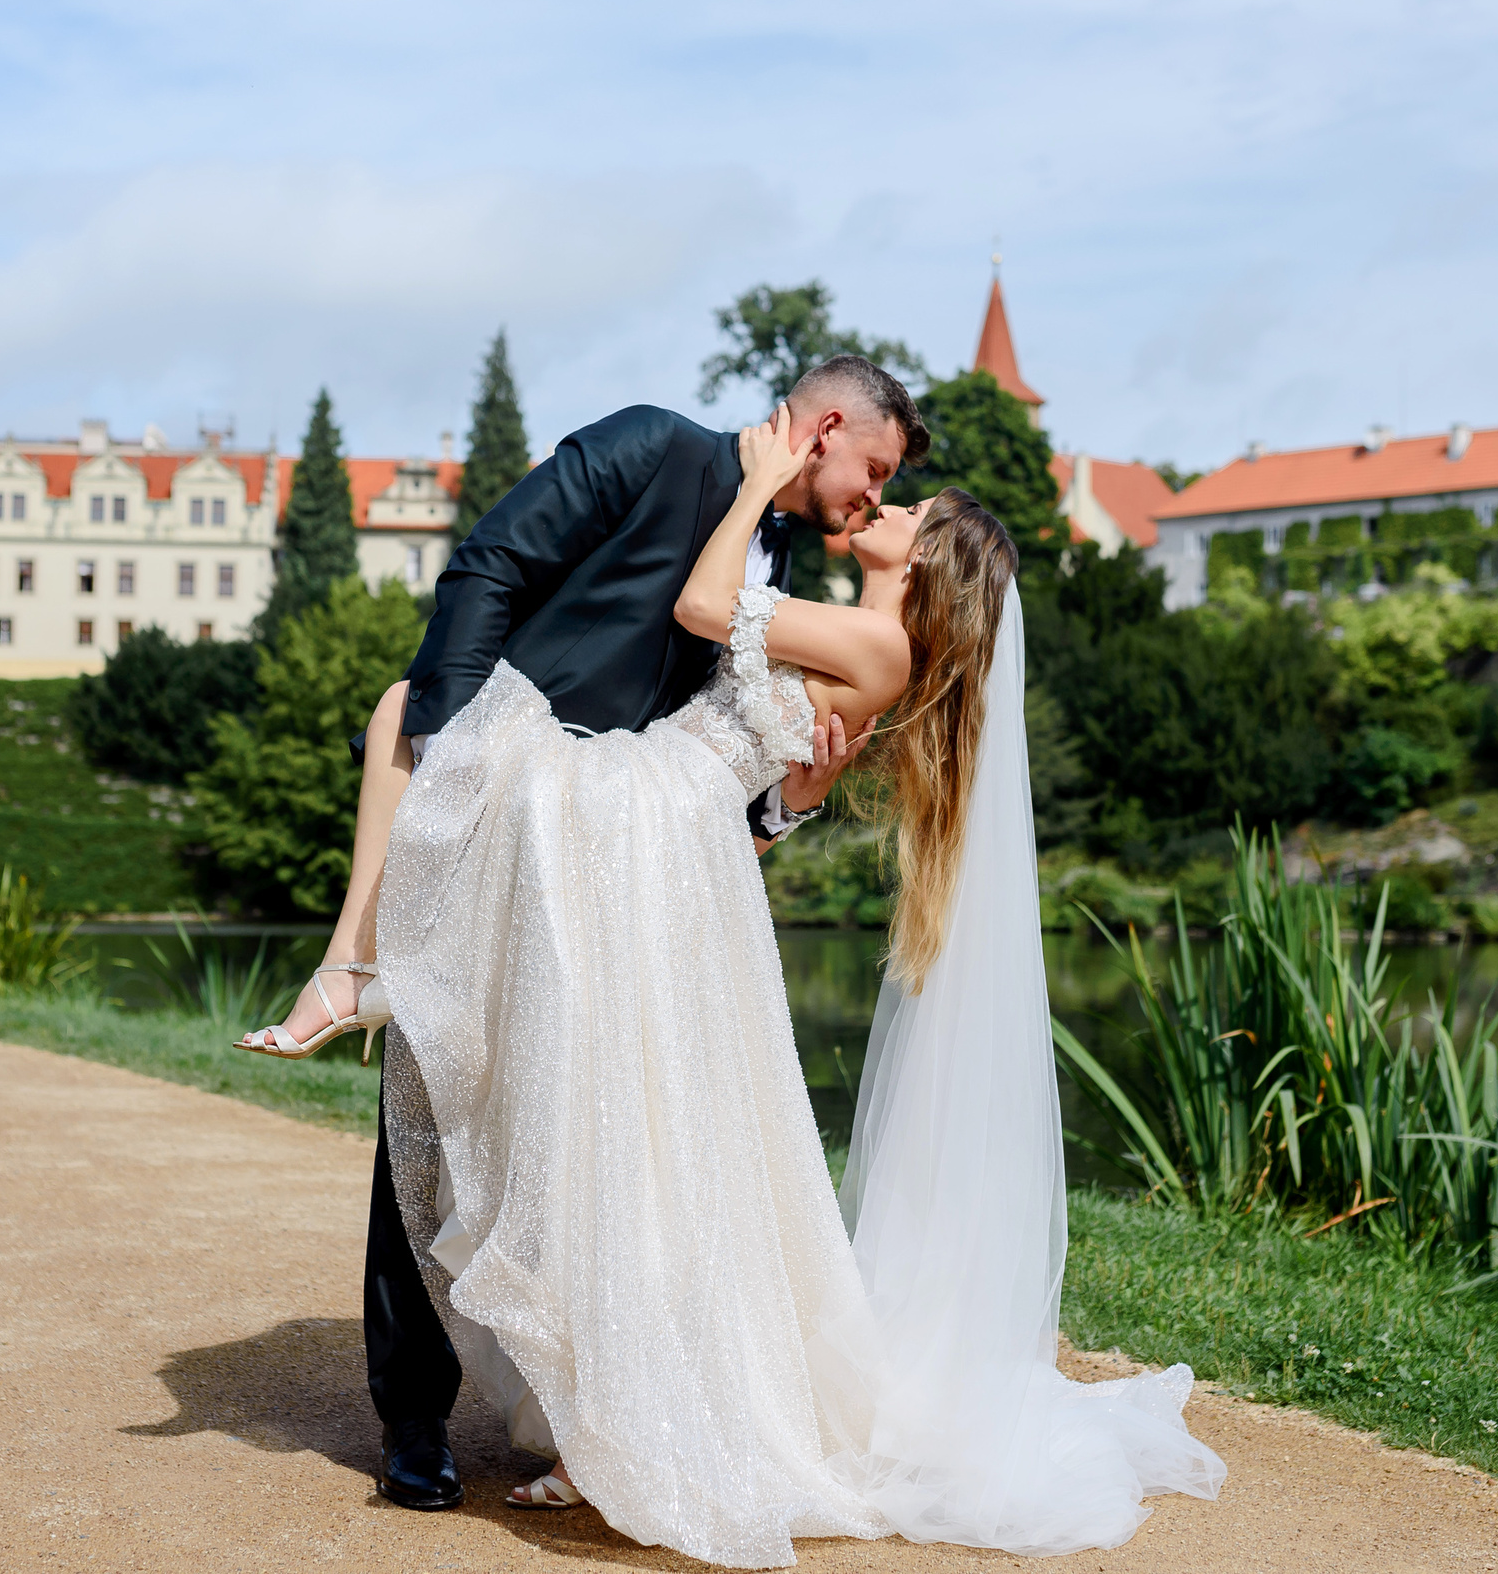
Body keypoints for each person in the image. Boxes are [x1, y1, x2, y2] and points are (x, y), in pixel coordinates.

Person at [351, 408, 1226, 1566]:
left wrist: (757, 488)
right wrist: (790, 795)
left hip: (643, 849)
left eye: (904, 507)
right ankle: (543, 1397)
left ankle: (622, 1414)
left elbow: (707, 625)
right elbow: (718, 722)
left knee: (639, 1146)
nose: (883, 505)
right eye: (884, 480)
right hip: (642, 841)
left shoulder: (867, 639)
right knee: (624, 1137)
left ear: (921, 565)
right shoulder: (803, 586)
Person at [238, 358, 917, 1510]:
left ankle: (582, 1404)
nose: (870, 496)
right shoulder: (655, 445)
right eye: (876, 470)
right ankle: (413, 1418)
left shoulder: (784, 557)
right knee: (434, 1100)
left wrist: (790, 804)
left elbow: (726, 747)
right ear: (829, 425)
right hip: (512, 790)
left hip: (622, 870)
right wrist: (454, 758)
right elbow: (489, 564)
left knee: (581, 1125)